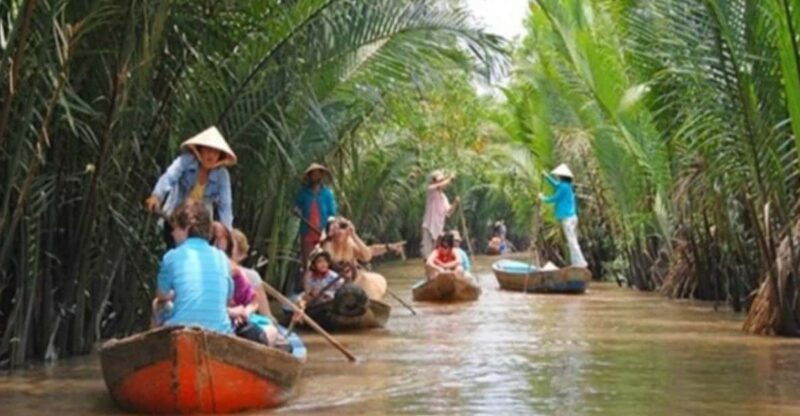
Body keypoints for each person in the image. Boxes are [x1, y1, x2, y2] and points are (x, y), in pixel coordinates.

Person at [145, 126, 236, 247]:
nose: (211, 155)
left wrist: (227, 233)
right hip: (175, 219)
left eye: (215, 152)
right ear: (200, 150)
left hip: (200, 226)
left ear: (220, 156)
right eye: (207, 149)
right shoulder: (185, 161)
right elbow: (169, 177)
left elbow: (225, 206)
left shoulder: (222, 175)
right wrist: (156, 196)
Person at [151, 200, 233, 334]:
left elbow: (161, 295)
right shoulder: (223, 259)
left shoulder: (171, 256)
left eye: (176, 228)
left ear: (187, 229)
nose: (172, 234)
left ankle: (153, 352)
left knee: (156, 305)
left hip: (181, 329)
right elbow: (227, 299)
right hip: (220, 332)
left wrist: (174, 294)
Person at [320, 216, 404, 300]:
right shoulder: (327, 244)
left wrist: (354, 235)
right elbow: (320, 257)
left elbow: (367, 256)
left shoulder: (350, 243)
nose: (340, 231)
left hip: (352, 283)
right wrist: (329, 234)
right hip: (332, 284)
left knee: (366, 279)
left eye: (343, 227)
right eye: (336, 228)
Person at [540, 163, 588, 267]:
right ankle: (576, 263)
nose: (557, 176)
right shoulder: (567, 186)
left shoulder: (563, 188)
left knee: (572, 241)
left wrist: (543, 198)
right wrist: (546, 176)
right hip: (573, 217)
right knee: (572, 241)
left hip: (567, 218)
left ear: (561, 176)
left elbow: (554, 198)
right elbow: (555, 184)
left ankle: (581, 263)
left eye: (558, 175)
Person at [293, 163, 338, 269]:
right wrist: (296, 210)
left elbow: (332, 213)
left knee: (326, 262)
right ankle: (307, 283)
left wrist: (329, 229)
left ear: (321, 176)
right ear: (309, 176)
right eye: (313, 174)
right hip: (307, 231)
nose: (316, 176)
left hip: (323, 233)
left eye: (318, 174)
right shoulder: (303, 193)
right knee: (308, 263)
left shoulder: (327, 193)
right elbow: (296, 206)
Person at [421, 170, 459, 257]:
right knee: (427, 255)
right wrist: (450, 178)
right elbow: (440, 185)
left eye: (442, 180)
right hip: (428, 227)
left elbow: (448, 212)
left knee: (436, 255)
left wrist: (455, 203)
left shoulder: (444, 197)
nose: (441, 182)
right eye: (439, 180)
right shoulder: (431, 189)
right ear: (434, 181)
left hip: (438, 229)